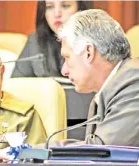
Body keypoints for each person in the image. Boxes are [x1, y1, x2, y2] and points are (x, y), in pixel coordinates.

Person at [55, 9, 139, 146]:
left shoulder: (134, 82)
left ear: (88, 52)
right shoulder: (112, 87)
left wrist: (34, 152)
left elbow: (104, 150)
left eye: (67, 57)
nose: (64, 71)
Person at [11, 0, 92, 77]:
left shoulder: (95, 42)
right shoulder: (35, 41)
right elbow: (16, 86)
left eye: (65, 6)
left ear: (81, 9)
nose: (57, 14)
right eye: (49, 7)